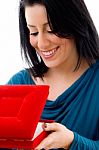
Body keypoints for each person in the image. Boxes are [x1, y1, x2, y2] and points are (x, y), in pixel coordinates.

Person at [7, 0, 99, 149]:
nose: (42, 44)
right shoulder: (18, 83)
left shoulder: (95, 82)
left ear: (75, 23)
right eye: (34, 32)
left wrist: (72, 141)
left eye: (51, 30)